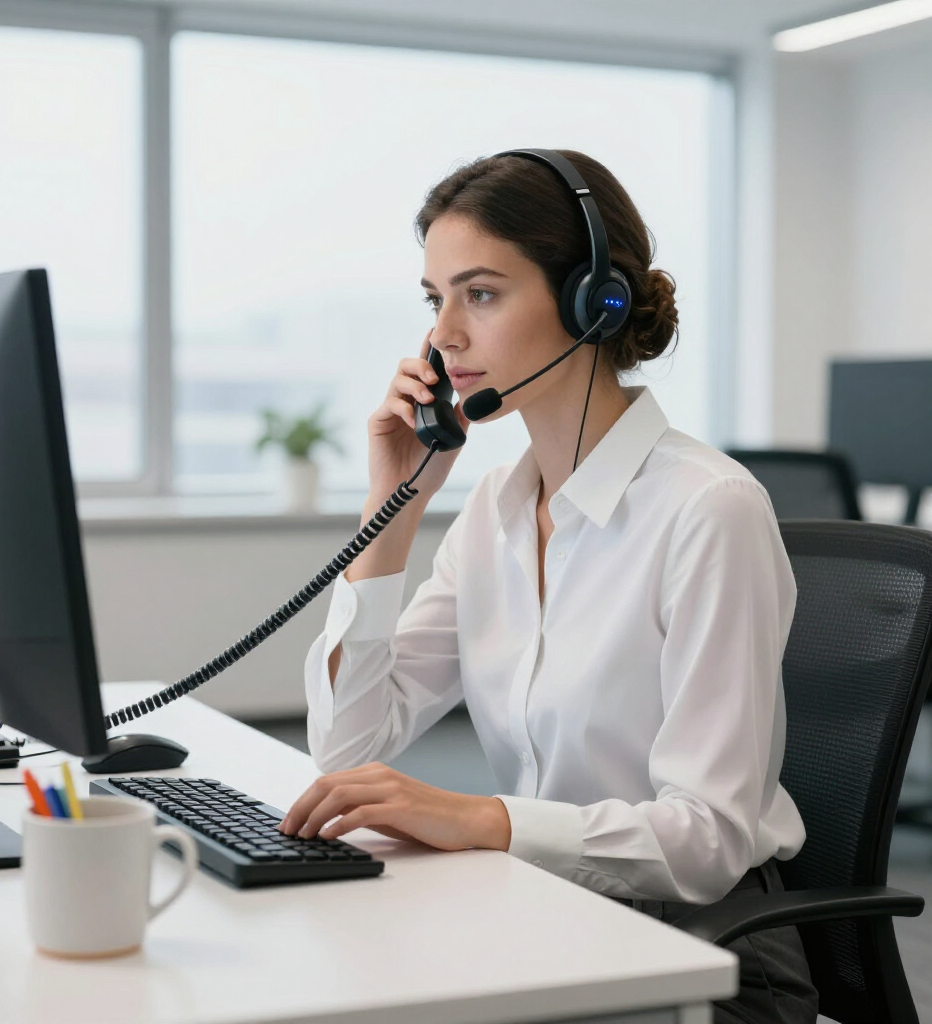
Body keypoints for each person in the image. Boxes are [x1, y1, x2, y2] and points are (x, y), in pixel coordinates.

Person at [279, 150, 819, 1023]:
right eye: (434, 298)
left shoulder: (708, 511)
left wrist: (486, 819)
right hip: (541, 915)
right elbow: (347, 747)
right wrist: (396, 503)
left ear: (591, 303)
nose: (443, 335)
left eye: (480, 294)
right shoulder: (496, 508)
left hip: (702, 955)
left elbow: (710, 839)